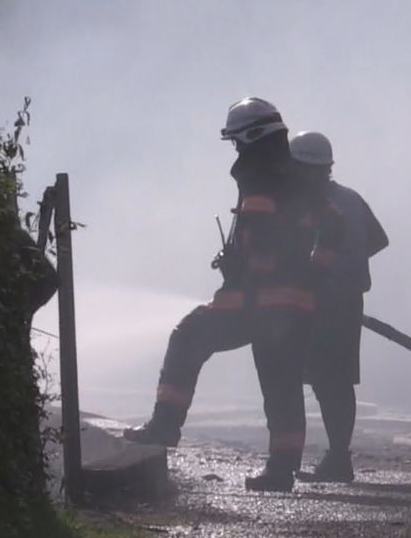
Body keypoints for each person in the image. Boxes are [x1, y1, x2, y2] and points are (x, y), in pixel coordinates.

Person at [123, 97, 341, 493]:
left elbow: (258, 239)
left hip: (256, 301)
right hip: (294, 304)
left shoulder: (260, 176)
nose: (237, 150)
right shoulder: (297, 176)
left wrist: (242, 266)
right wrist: (314, 272)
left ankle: (165, 426)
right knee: (283, 385)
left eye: (238, 141)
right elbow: (333, 224)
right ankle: (281, 470)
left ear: (253, 137)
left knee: (188, 336)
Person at [288, 131, 388, 483]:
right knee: (338, 381)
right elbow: (378, 239)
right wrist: (352, 263)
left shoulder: (313, 204)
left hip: (321, 304)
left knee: (327, 381)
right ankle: (338, 456)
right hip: (348, 300)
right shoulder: (351, 198)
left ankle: (337, 459)